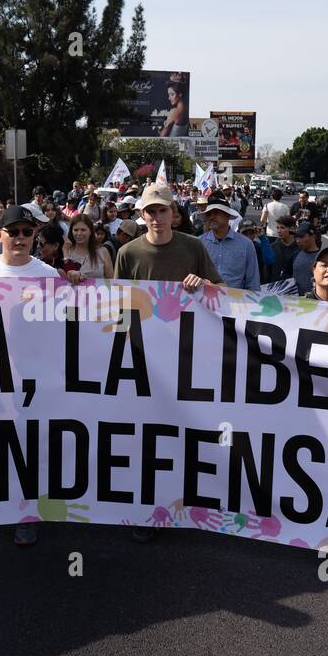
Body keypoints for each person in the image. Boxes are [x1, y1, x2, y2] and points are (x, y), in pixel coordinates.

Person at [113, 184, 223, 540]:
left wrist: (203, 283)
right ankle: (148, 511)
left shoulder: (194, 247)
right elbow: (118, 306)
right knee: (146, 436)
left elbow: (221, 293)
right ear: (142, 215)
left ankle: (187, 504)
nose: (156, 217)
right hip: (143, 360)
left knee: (184, 431)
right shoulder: (128, 253)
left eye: (162, 210)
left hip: (187, 358)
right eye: (150, 211)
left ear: (173, 213)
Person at [0, 205, 72, 547]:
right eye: (14, 232)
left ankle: (27, 515)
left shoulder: (48, 276)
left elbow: (65, 326)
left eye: (28, 232)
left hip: (36, 379)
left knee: (32, 447)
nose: (21, 238)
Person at [199, 198, 259, 290]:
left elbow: (252, 280)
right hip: (205, 300)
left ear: (228, 216)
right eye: (209, 214)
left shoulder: (246, 244)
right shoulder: (199, 243)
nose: (211, 217)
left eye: (216, 213)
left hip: (236, 301)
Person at [64, 213, 112, 277]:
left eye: (83, 230)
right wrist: (65, 251)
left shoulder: (103, 251)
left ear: (91, 231)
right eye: (76, 230)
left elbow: (111, 280)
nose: (79, 233)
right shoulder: (66, 250)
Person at [289, 222, 321, 296]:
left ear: (313, 236)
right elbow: (287, 274)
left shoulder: (322, 257)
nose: (298, 240)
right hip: (294, 301)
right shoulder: (295, 255)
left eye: (301, 236)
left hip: (315, 303)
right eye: (296, 237)